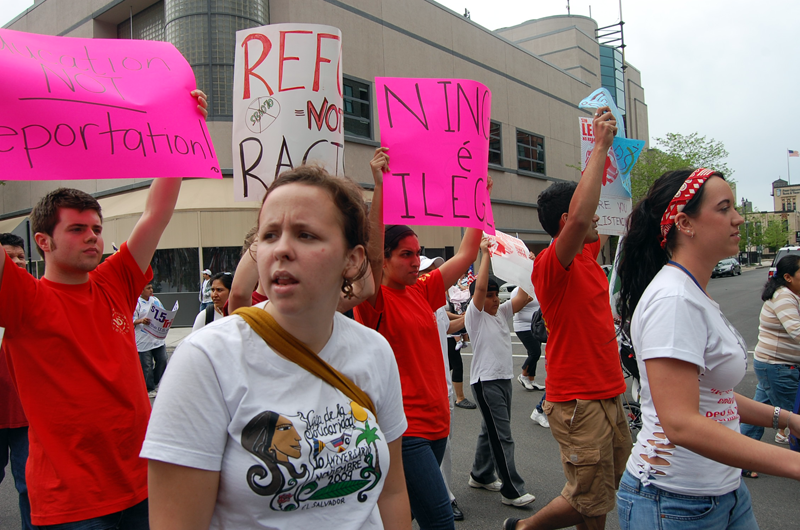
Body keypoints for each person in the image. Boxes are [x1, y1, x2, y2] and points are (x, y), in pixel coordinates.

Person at [141, 165, 410, 530]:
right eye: (269, 235)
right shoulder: (205, 360)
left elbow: (392, 492)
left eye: (306, 235)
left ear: (353, 260)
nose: (282, 249)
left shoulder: (375, 351)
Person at [0, 89, 205, 529]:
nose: (93, 236)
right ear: (43, 241)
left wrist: (185, 131)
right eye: (76, 229)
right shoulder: (23, 298)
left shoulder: (115, 280)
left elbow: (156, 212)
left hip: (142, 483)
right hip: (71, 505)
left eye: (96, 227)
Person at [613, 167, 800, 529]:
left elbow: (713, 395)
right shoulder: (674, 299)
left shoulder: (690, 292)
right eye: (725, 208)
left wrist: (786, 418)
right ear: (685, 223)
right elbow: (681, 422)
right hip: (673, 502)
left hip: (723, 494)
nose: (739, 218)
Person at [505, 107, 629, 530]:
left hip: (609, 393)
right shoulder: (550, 265)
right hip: (579, 401)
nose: (597, 220)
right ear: (566, 223)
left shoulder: (590, 257)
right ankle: (523, 528)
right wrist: (599, 146)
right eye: (587, 217)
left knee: (601, 498)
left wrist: (612, 159)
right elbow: (582, 216)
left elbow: (603, 210)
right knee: (588, 500)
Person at [354, 147, 485, 530]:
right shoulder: (374, 299)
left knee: (404, 515)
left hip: (438, 422)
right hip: (405, 429)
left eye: (419, 254)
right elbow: (372, 255)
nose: (416, 261)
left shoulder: (422, 290)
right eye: (406, 255)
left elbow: (467, 253)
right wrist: (380, 187)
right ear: (385, 258)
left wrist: (478, 201)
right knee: (440, 520)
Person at [466, 238, 535, 507]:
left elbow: (525, 294)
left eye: (497, 295)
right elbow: (480, 288)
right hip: (486, 382)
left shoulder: (500, 312)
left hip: (503, 379)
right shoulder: (476, 313)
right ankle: (511, 490)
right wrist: (484, 254)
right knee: (502, 435)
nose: (495, 300)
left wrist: (528, 265)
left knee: (490, 430)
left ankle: (481, 474)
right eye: (490, 296)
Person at [739, 254, 800, 469]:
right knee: (794, 418)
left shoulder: (790, 294)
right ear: (788, 277)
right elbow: (797, 331)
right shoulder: (784, 297)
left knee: (757, 415)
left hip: (772, 365)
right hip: (779, 367)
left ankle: (742, 461)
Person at [421, 255, 466, 522]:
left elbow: (450, 325)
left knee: (444, 446)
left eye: (439, 270)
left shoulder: (438, 307)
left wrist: (471, 314)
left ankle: (445, 495)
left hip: (443, 390)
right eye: (431, 271)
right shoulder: (412, 303)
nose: (438, 275)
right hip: (418, 394)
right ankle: (438, 499)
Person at [0, 233, 35, 530]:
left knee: (29, 487)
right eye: (9, 257)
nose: (16, 263)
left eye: (21, 258)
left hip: (27, 416)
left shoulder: (35, 298)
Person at [134, 282, 168, 398]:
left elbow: (164, 312)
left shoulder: (155, 300)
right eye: (148, 288)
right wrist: (141, 321)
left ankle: (156, 382)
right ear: (141, 290)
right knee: (146, 365)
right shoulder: (136, 303)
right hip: (143, 340)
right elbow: (131, 320)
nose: (151, 290)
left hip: (157, 338)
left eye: (151, 288)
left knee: (162, 360)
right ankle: (149, 388)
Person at [512, 283, 545, 392]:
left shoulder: (537, 289)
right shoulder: (517, 291)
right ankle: (523, 376)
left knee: (533, 352)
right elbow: (514, 309)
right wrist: (526, 301)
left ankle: (531, 379)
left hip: (536, 325)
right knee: (535, 352)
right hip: (523, 326)